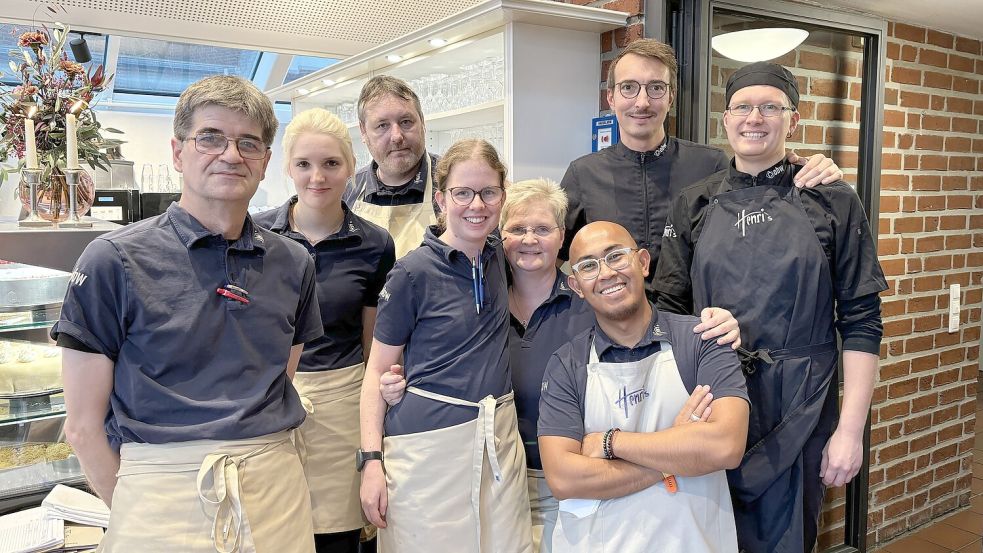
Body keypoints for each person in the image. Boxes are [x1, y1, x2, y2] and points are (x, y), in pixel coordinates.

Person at [52, 76, 323, 552]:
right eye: (211, 138)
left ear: (263, 164)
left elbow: (280, 377)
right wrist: (138, 509)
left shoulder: (294, 263)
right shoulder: (112, 261)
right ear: (178, 153)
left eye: (248, 143)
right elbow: (81, 426)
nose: (231, 154)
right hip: (159, 496)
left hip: (276, 491)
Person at [653, 62, 887, 553]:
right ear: (725, 118)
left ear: (792, 121)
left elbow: (863, 322)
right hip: (711, 399)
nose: (754, 118)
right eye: (742, 106)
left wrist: (850, 432)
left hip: (799, 404)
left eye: (769, 107)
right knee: (706, 535)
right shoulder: (694, 203)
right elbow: (668, 311)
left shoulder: (834, 200)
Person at [559, 38, 843, 298]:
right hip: (612, 331)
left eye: (656, 88)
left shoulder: (711, 165)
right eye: (628, 88)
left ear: (671, 97)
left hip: (699, 332)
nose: (642, 102)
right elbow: (553, 260)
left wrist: (807, 168)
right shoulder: (582, 175)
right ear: (611, 98)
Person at [360, 139, 532, 553]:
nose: (477, 204)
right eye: (463, 193)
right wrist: (370, 463)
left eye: (489, 192)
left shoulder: (500, 255)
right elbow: (375, 375)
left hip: (498, 441)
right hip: (425, 450)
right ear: (441, 199)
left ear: (502, 196)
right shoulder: (411, 274)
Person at [537, 221, 750, 553]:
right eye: (589, 266)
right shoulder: (567, 365)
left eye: (616, 256)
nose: (606, 273)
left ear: (643, 262)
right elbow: (564, 479)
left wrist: (610, 442)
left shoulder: (702, 340)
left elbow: (726, 446)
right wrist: (677, 451)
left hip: (695, 542)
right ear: (577, 286)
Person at [253, 108, 396, 553]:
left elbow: (373, 345)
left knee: (337, 535)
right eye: (304, 164)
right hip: (267, 405)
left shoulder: (375, 244)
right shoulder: (253, 235)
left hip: (343, 406)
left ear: (351, 167)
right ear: (286, 168)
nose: (317, 176)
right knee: (272, 532)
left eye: (331, 163)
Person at [343, 75, 439, 258]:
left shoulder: (452, 181)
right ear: (363, 132)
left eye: (406, 122)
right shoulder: (348, 189)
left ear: (423, 122)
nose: (396, 136)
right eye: (382, 125)